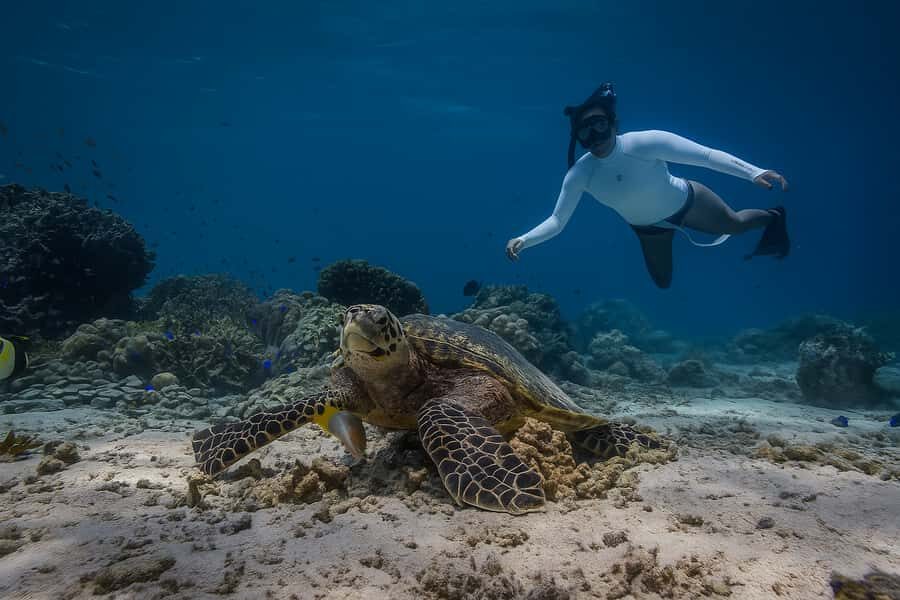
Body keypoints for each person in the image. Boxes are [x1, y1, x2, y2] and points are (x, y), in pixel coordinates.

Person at [505, 82, 789, 288]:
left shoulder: (645, 142)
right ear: (578, 138)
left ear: (614, 123)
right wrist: (524, 240)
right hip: (649, 229)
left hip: (689, 202)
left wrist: (754, 172)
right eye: (585, 131)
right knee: (662, 282)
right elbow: (557, 220)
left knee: (736, 225)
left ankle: (774, 217)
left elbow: (706, 156)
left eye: (600, 125)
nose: (595, 136)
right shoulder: (580, 174)